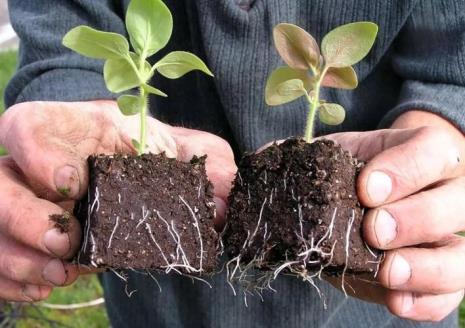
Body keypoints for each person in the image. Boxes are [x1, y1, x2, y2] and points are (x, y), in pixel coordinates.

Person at [1, 0, 464, 327]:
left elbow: (452, 65)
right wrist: (68, 121)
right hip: (159, 307)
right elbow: (62, 34)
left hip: (372, 314)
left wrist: (442, 141)